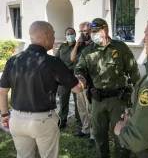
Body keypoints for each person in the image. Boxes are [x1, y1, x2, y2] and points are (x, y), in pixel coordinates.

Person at [0, 21, 85, 158]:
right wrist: (82, 80)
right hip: (43, 121)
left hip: (16, 119)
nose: (54, 39)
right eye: (53, 35)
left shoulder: (13, 60)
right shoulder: (53, 62)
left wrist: (5, 115)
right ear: (46, 35)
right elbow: (77, 89)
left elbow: (2, 92)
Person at [75, 18, 140, 158]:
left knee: (120, 135)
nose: (93, 34)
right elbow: (80, 69)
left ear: (105, 30)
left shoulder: (120, 47)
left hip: (119, 100)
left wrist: (138, 94)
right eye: (91, 32)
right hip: (98, 100)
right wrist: (80, 77)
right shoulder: (87, 52)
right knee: (99, 136)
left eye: (95, 31)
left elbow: (133, 70)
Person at [114, 13, 148, 158]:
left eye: (146, 34)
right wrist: (135, 113)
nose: (144, 40)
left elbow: (139, 139)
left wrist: (121, 130)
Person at [71, 22, 95, 147]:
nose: (84, 34)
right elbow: (72, 58)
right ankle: (85, 130)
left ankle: (93, 134)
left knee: (90, 109)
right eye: (81, 32)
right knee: (81, 108)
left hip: (89, 83)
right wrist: (76, 45)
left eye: (86, 31)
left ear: (91, 31)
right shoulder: (80, 46)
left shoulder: (94, 46)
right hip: (78, 82)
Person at [56, 27, 81, 129]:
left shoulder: (80, 46)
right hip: (63, 77)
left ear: (75, 35)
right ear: (65, 35)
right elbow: (56, 59)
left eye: (72, 33)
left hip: (75, 77)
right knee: (63, 99)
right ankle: (63, 120)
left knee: (78, 101)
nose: (69, 35)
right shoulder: (62, 46)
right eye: (67, 34)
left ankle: (79, 121)